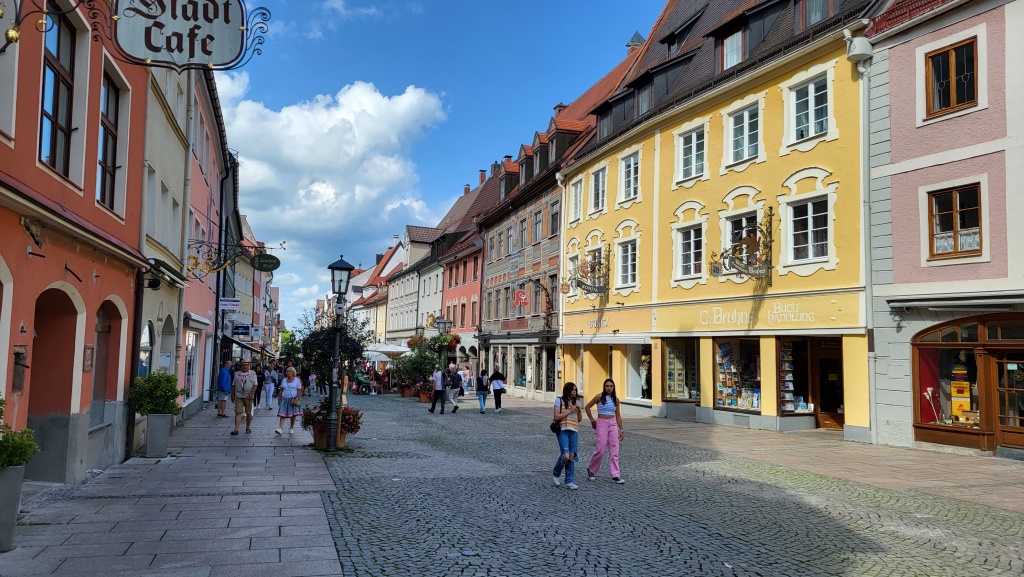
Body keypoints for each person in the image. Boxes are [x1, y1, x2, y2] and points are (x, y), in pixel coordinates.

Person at [585, 378, 625, 484]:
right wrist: (592, 420)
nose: (609, 388)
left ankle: (615, 474)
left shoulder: (616, 400)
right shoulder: (599, 397)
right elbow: (587, 407)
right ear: (604, 387)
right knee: (600, 448)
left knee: (614, 449)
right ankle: (591, 469)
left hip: (612, 424)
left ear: (613, 387)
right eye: (607, 386)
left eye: (611, 386)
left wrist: (621, 430)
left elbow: (618, 415)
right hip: (602, 423)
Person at [553, 382, 583, 490]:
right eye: (572, 390)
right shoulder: (559, 400)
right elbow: (556, 416)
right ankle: (556, 473)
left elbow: (579, 419)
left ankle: (569, 481)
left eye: (575, 390)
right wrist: (570, 410)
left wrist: (579, 411)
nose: (574, 392)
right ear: (567, 390)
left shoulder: (577, 402)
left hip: (574, 431)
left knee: (571, 456)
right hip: (562, 430)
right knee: (565, 455)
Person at [230, 360, 258, 435]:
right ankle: (236, 429)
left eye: (246, 365)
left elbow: (255, 384)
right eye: (243, 365)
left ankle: (248, 427)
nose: (244, 367)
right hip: (239, 395)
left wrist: (252, 393)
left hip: (248, 396)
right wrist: (232, 395)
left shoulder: (253, 374)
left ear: (248, 366)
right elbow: (233, 385)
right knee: (238, 412)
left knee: (248, 413)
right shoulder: (236, 374)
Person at [276, 366, 304, 435]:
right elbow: (281, 390)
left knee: (293, 414)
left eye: (289, 371)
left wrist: (297, 398)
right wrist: (279, 399)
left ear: (293, 372)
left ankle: (291, 428)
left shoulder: (297, 380)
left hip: (293, 399)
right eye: (287, 371)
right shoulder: (284, 380)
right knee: (282, 413)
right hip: (284, 399)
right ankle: (280, 428)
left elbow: (299, 390)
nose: (288, 373)